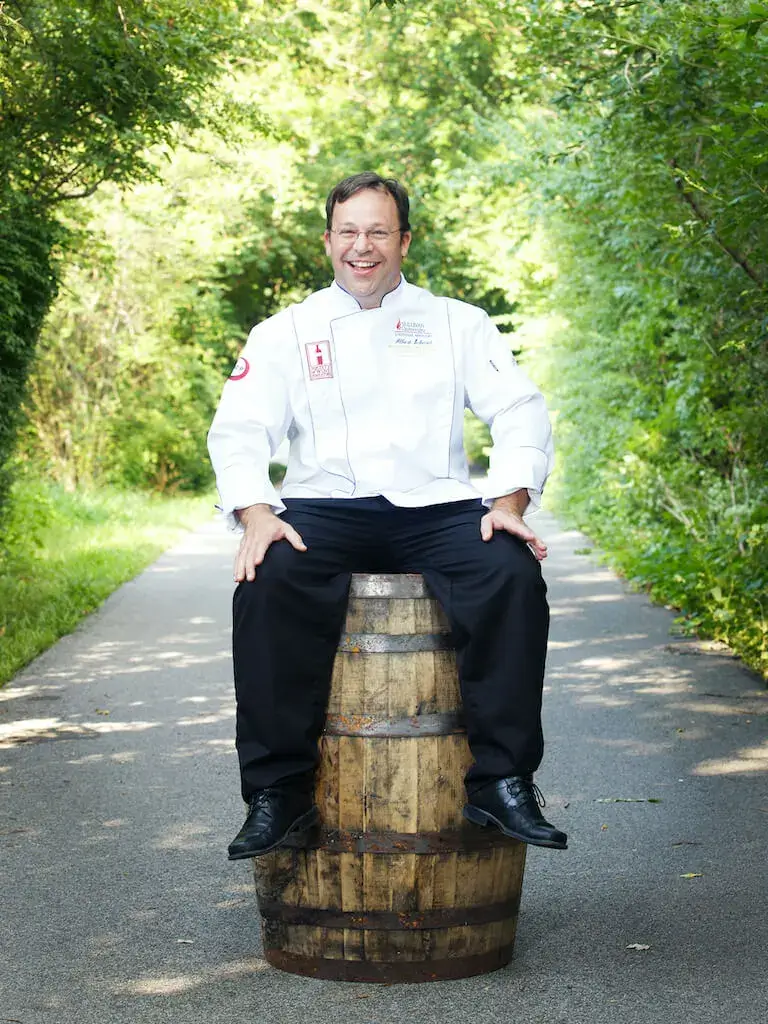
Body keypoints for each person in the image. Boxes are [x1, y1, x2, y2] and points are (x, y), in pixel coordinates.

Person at [207, 171, 567, 861]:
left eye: (378, 232)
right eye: (349, 232)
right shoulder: (286, 330)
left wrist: (510, 499)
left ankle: (502, 781)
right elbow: (239, 429)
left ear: (405, 240)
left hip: (435, 502)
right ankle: (277, 792)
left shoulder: (458, 322)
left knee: (509, 573)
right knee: (269, 576)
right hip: (326, 503)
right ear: (328, 242)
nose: (362, 247)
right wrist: (255, 511)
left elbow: (520, 410)